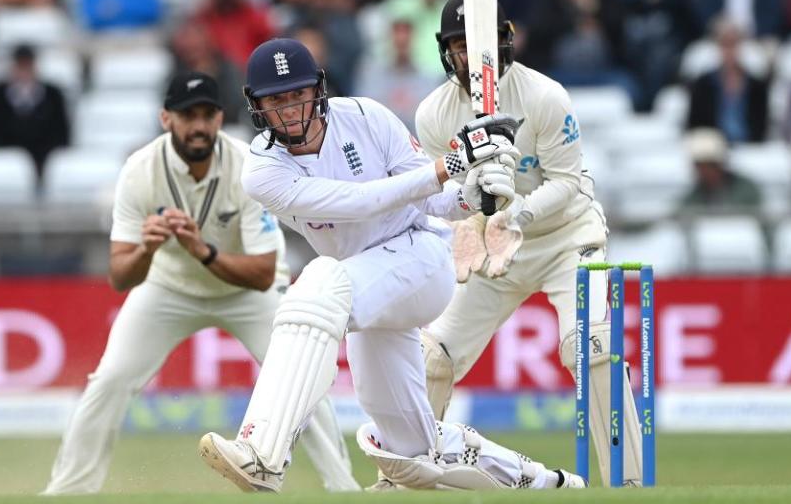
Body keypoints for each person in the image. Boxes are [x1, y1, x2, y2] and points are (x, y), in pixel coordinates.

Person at [198, 37, 585, 493]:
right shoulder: (262, 170)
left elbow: (437, 202)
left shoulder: (366, 116)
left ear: (317, 89)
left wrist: (475, 194)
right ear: (256, 105)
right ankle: (548, 485)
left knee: (319, 281)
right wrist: (452, 165)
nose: (290, 109)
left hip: (420, 260)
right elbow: (359, 203)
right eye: (276, 100)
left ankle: (263, 452)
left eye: (298, 94)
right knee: (410, 448)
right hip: (363, 286)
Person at [42, 71, 359, 495]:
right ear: (165, 118)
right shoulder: (139, 170)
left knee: (300, 377)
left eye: (207, 114)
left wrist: (201, 250)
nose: (198, 125)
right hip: (168, 288)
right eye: (187, 115)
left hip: (248, 293)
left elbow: (264, 272)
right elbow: (120, 277)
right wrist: (147, 249)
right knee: (110, 380)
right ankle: (68, 491)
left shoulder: (247, 165)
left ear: (219, 117)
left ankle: (344, 489)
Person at [398, 0, 643, 488]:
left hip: (566, 239)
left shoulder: (544, 96)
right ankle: (408, 479)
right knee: (433, 355)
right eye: (460, 45)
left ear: (504, 38)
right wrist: (467, 226)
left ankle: (629, 482)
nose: (472, 54)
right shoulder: (434, 114)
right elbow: (444, 193)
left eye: (480, 42)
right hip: (491, 250)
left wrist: (518, 218)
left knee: (589, 346)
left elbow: (568, 182)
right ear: (447, 51)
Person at [0, 45, 70, 175]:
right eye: (20, 65)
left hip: (44, 163)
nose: (24, 70)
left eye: (27, 65)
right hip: (7, 164)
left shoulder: (53, 95)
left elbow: (61, 133)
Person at [681, 128, 761, 210]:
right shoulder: (692, 198)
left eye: (709, 166)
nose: (705, 172)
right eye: (700, 167)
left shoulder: (747, 191)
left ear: (720, 165)